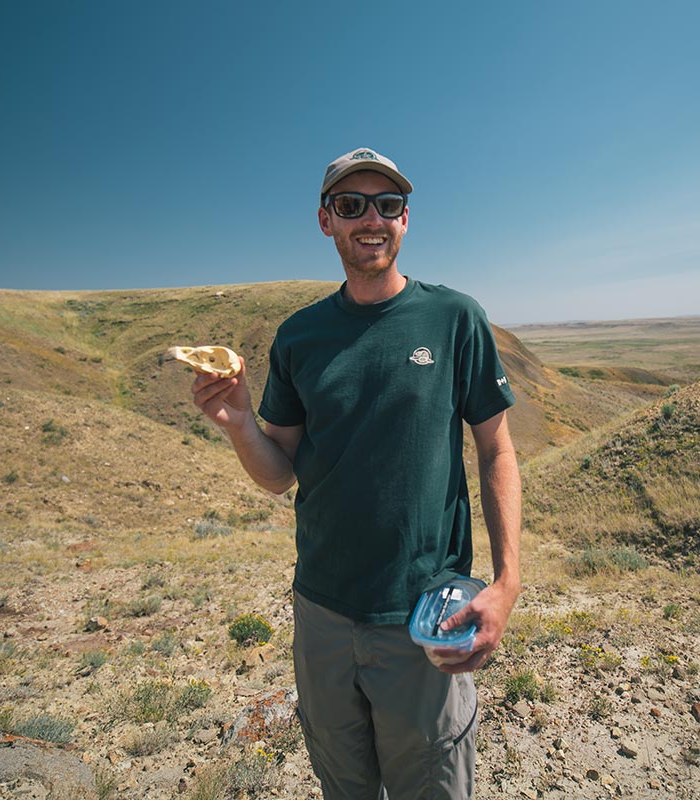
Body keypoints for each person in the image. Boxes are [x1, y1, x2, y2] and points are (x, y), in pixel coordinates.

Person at [191, 147, 521, 799]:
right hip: (322, 616)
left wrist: (508, 584)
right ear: (326, 221)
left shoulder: (455, 319)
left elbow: (497, 452)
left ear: (405, 219)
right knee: (344, 784)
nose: (371, 219)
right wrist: (238, 424)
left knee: (430, 779)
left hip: (425, 610)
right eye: (351, 205)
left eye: (387, 204)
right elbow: (278, 472)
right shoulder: (299, 337)